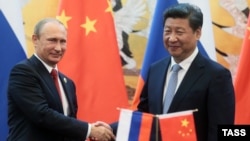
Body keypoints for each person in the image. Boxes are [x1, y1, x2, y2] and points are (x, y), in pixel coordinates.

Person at [112, 3, 235, 141]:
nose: (172, 38)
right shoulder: (155, 70)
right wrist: (108, 129)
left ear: (197, 33)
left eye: (179, 32)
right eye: (167, 31)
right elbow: (144, 116)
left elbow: (221, 130)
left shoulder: (216, 75)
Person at [7, 18, 115, 141]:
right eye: (52, 40)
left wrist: (92, 132)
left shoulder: (68, 83)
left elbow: (66, 126)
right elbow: (42, 114)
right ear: (35, 40)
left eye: (63, 41)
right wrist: (89, 130)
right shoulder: (23, 72)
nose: (58, 48)